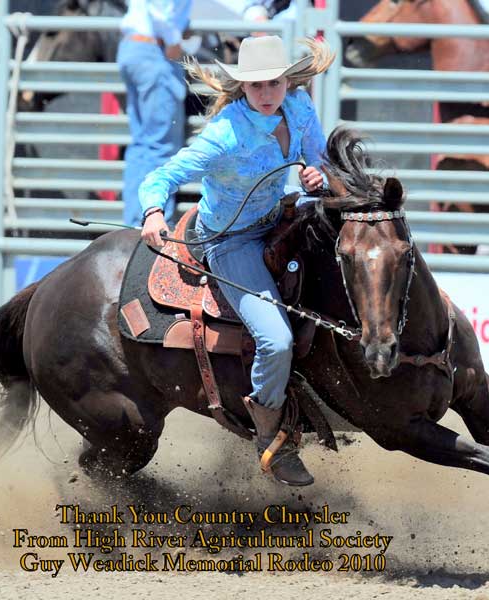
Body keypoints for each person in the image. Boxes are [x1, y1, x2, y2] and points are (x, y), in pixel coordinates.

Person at [139, 35, 333, 486]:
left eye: (273, 84)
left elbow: (319, 160)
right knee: (276, 340)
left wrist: (316, 173)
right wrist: (152, 211)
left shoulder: (300, 108)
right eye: (255, 86)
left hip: (281, 218)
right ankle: (270, 436)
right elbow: (163, 175)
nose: (266, 94)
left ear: (288, 81)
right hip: (231, 239)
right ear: (242, 88)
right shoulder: (224, 134)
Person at [118, 0, 193, 227]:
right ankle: (153, 224)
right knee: (160, 147)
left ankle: (134, 225)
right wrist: (173, 38)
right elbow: (160, 11)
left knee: (142, 145)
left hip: (135, 46)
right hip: (154, 49)